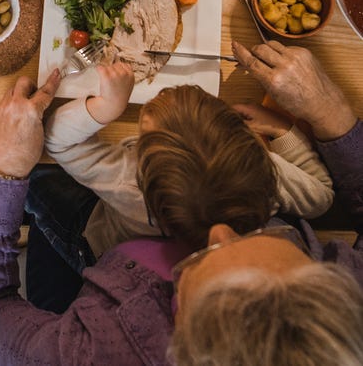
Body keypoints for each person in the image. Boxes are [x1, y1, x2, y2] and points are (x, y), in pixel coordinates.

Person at [0, 41, 363, 366]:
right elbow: (321, 194)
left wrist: (4, 171)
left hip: (91, 247)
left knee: (41, 191)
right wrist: (326, 114)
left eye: (195, 267)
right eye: (281, 241)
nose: (217, 232)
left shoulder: (94, 352)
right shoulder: (280, 192)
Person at [27, 63, 333, 308]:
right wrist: (282, 129)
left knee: (37, 182)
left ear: (142, 160)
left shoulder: (130, 179)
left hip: (98, 249)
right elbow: (321, 197)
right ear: (247, 139)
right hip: (172, 273)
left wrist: (106, 107)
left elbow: (57, 141)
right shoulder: (263, 175)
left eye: (145, 131)